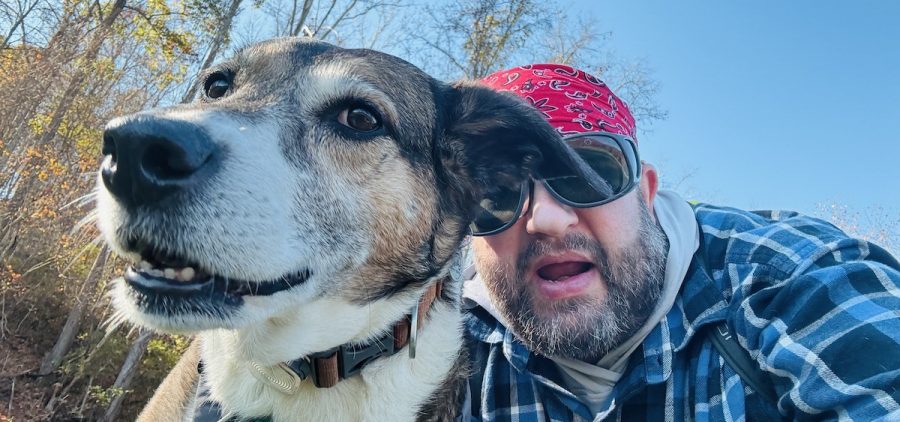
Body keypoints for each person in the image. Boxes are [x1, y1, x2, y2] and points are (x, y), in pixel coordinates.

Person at [459, 63, 900, 421]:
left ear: (647, 194)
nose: (547, 220)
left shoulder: (791, 277)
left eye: (588, 175)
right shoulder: (436, 340)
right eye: (495, 194)